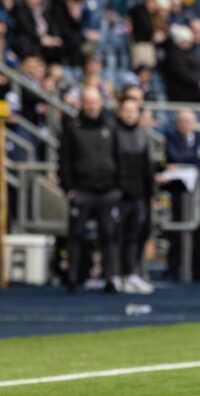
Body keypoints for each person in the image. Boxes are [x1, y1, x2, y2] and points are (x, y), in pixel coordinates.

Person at [60, 86, 121, 293]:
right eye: (88, 102)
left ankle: (110, 277)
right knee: (75, 235)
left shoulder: (111, 125)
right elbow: (65, 160)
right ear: (82, 103)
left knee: (109, 235)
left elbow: (118, 156)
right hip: (82, 189)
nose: (92, 105)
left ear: (101, 103)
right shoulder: (72, 126)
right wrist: (68, 187)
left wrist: (118, 187)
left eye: (95, 101)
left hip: (107, 190)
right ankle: (73, 276)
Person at [165, 109, 200, 282]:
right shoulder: (172, 138)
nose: (186, 124)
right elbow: (173, 156)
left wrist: (185, 163)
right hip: (181, 196)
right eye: (183, 121)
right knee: (177, 235)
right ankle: (174, 269)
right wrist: (195, 160)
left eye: (189, 121)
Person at [115, 96, 155, 294]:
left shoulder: (141, 136)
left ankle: (132, 273)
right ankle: (116, 275)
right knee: (117, 236)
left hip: (139, 194)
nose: (130, 114)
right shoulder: (113, 134)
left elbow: (147, 168)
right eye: (127, 110)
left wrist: (151, 193)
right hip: (118, 194)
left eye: (133, 111)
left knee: (136, 235)